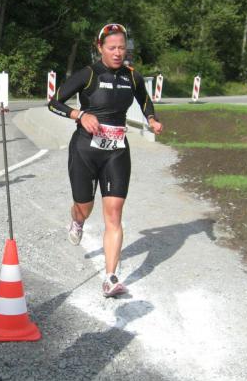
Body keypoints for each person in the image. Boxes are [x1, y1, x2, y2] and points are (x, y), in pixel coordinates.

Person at [48, 23, 163, 297]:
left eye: (122, 47)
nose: (118, 52)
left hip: (116, 151)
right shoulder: (88, 74)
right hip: (85, 150)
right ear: (100, 48)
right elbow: (54, 102)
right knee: (84, 207)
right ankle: (77, 220)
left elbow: (144, 100)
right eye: (112, 48)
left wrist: (151, 118)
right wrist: (80, 115)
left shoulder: (132, 76)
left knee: (114, 214)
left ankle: (110, 278)